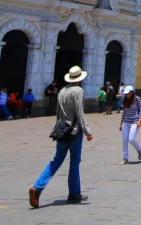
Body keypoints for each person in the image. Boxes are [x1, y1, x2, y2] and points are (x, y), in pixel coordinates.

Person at [28, 65, 93, 208]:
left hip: (61, 130)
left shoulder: (62, 91)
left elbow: (59, 113)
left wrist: (57, 128)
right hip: (74, 131)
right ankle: (74, 194)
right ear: (79, 79)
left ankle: (37, 187)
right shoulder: (78, 91)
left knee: (56, 160)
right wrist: (87, 131)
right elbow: (79, 112)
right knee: (74, 162)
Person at [119, 85, 141, 164]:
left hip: (134, 121)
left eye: (128, 94)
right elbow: (124, 112)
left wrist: (139, 120)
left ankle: (139, 149)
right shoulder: (125, 100)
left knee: (131, 139)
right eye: (125, 94)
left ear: (132, 92)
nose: (126, 95)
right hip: (126, 122)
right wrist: (121, 123)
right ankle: (125, 158)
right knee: (124, 140)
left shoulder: (137, 99)